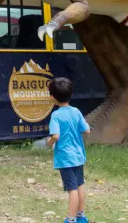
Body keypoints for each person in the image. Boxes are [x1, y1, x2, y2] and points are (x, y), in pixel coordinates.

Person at [46, 77, 90, 223]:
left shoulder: (56, 115)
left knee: (72, 190)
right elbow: (87, 130)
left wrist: (49, 141)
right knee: (80, 185)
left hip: (66, 159)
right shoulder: (76, 111)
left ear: (52, 97)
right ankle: (81, 217)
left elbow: (56, 135)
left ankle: (70, 220)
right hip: (78, 156)